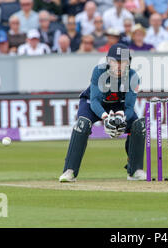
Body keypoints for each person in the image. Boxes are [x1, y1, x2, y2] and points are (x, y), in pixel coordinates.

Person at [59, 43, 146, 182]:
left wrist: (121, 117)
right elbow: (94, 101)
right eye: (114, 62)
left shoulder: (133, 76)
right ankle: (70, 171)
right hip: (93, 104)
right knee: (82, 124)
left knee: (138, 125)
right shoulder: (99, 71)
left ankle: (135, 170)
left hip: (118, 106)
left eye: (123, 62)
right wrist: (106, 118)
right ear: (108, 61)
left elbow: (129, 107)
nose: (118, 66)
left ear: (128, 63)